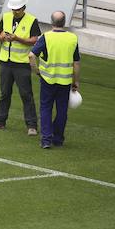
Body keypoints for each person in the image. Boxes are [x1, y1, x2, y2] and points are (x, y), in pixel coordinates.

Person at [0, 0, 40, 135]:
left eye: (17, 9)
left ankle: (32, 125)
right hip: (6, 62)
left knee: (26, 95)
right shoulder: (7, 17)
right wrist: (2, 38)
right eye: (13, 9)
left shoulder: (32, 20)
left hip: (22, 64)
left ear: (24, 7)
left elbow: (34, 40)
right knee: (5, 93)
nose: (14, 11)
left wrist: (17, 39)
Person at [29, 11, 81, 150]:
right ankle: (58, 139)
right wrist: (76, 81)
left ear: (51, 22)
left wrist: (37, 71)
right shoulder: (72, 38)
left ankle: (46, 139)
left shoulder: (46, 37)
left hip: (47, 79)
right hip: (64, 81)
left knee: (46, 108)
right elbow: (76, 63)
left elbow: (31, 56)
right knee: (62, 110)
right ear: (64, 23)